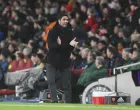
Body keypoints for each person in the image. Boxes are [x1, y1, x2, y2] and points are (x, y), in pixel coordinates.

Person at [46, 12, 77, 103]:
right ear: (59, 20)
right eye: (64, 19)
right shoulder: (52, 32)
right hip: (52, 60)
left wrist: (72, 45)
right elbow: (50, 46)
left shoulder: (69, 32)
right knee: (51, 81)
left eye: (67, 19)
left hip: (64, 60)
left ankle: (68, 103)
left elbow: (69, 48)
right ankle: (54, 101)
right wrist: (59, 45)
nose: (66, 21)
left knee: (67, 84)